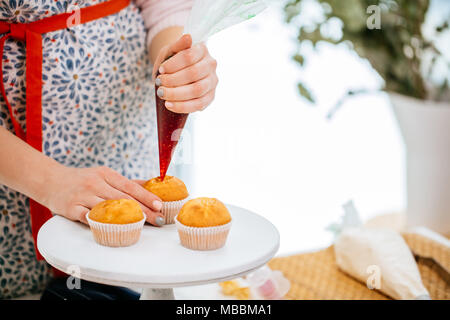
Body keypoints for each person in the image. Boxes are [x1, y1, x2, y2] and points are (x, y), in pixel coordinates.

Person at [0, 0, 218, 299]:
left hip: (123, 131)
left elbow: (164, 5)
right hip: (10, 172)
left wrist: (177, 58)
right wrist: (48, 181)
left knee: (121, 279)